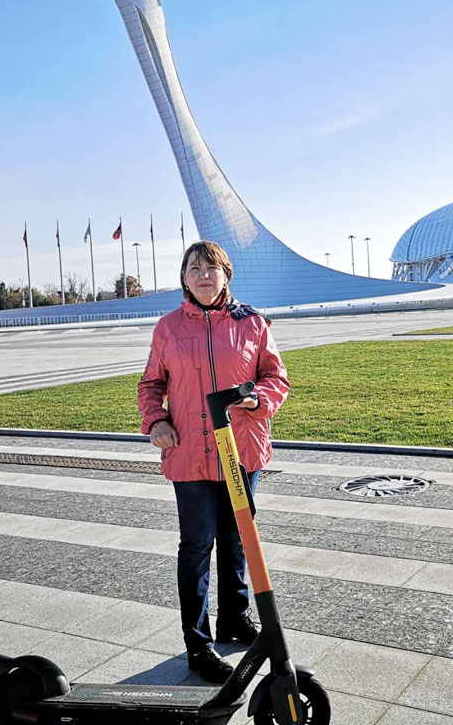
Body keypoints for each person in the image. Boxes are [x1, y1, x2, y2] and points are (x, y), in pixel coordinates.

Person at [138, 241, 290, 684]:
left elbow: (275, 377)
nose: (203, 274)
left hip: (241, 451)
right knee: (197, 545)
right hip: (190, 454)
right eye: (193, 267)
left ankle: (235, 618)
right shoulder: (167, 328)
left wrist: (259, 400)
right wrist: (156, 422)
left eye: (211, 267)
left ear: (226, 274)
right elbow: (150, 385)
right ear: (184, 278)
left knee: (238, 539)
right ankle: (198, 643)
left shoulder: (253, 323)